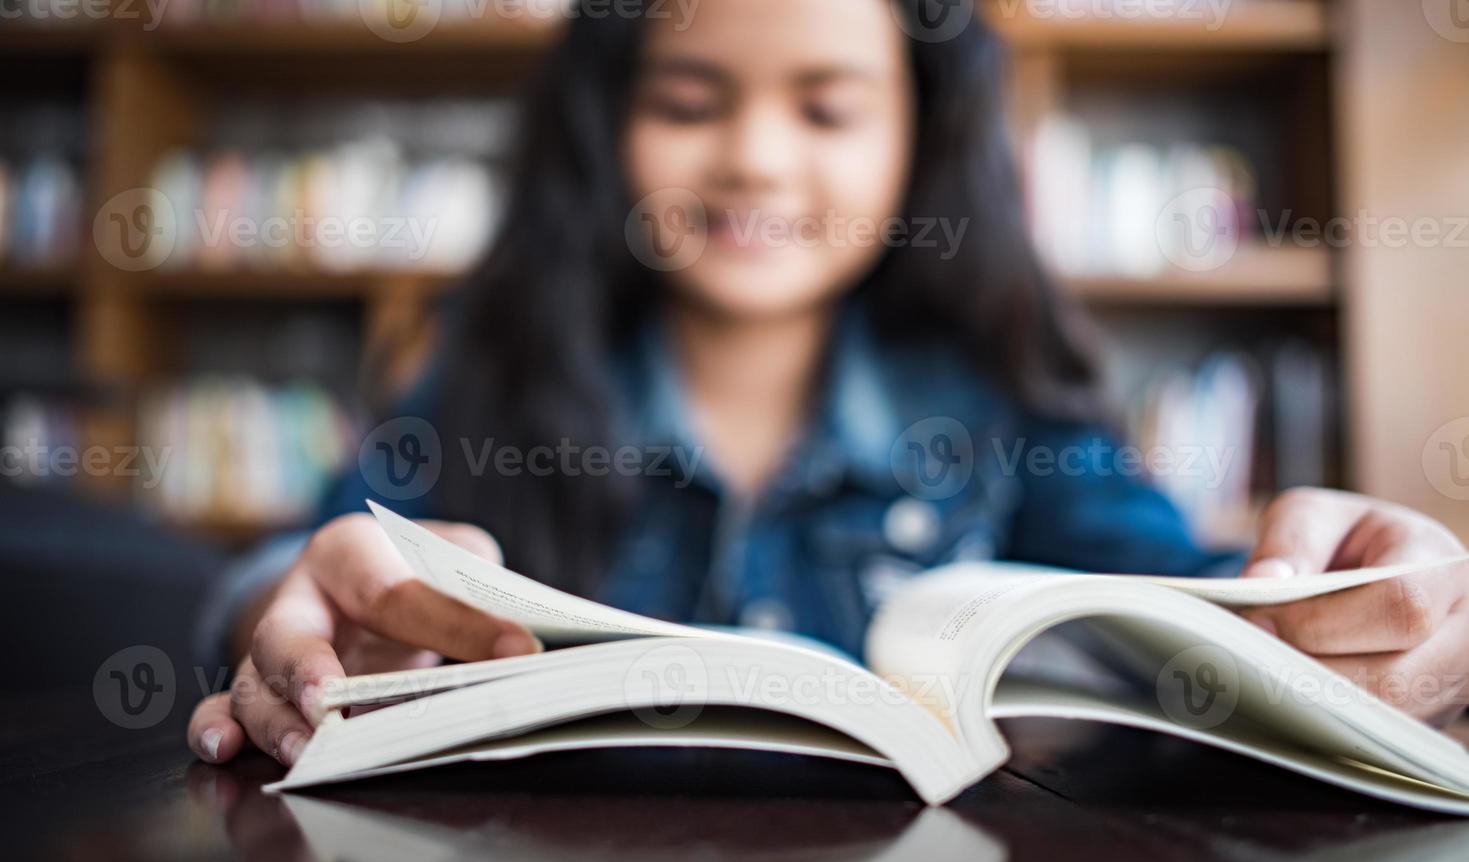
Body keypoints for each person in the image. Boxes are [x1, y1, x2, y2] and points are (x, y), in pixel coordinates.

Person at [188, 0, 1469, 768]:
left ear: (920, 143)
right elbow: (304, 562)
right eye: (689, 100)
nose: (751, 158)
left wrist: (1334, 618)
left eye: (827, 109)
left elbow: (1180, 596)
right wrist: (298, 612)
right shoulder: (492, 364)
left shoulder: (999, 396)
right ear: (608, 132)